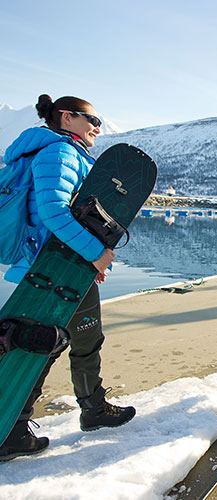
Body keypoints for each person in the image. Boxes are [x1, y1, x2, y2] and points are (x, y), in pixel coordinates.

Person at [0, 95, 135, 462]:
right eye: (92, 119)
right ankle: (14, 427)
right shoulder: (57, 153)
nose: (97, 127)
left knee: (80, 337)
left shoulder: (64, 152)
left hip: (65, 265)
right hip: (54, 267)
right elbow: (54, 214)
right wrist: (95, 254)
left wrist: (89, 262)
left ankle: (88, 407)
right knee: (45, 343)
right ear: (66, 117)